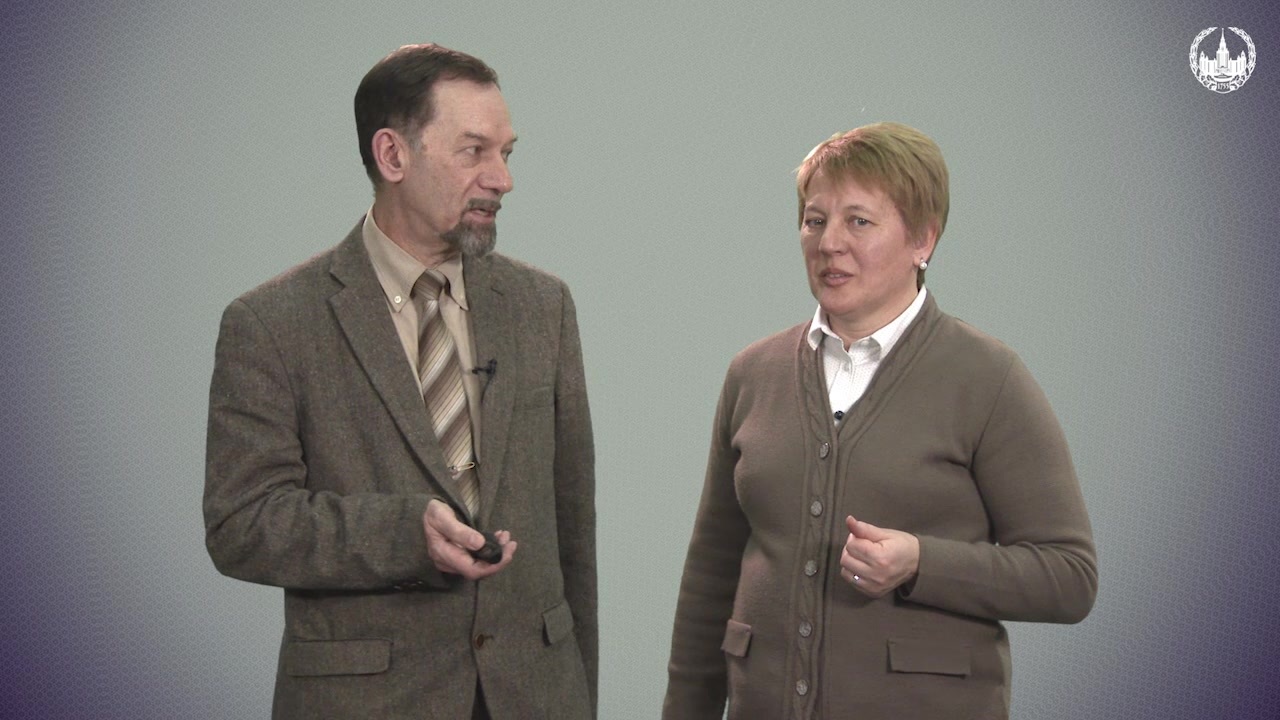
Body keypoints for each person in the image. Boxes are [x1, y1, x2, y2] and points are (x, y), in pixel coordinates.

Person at [204, 44, 596, 720]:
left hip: (535, 696)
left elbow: (572, 532)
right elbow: (242, 524)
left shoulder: (544, 306)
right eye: (474, 152)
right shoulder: (271, 323)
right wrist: (403, 534)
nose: (502, 179)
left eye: (507, 153)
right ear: (392, 156)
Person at [661, 122, 1097, 719]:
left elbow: (1069, 577)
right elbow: (711, 573)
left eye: (859, 221)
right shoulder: (752, 373)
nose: (829, 243)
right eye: (815, 221)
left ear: (923, 239)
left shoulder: (988, 379)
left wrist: (921, 561)